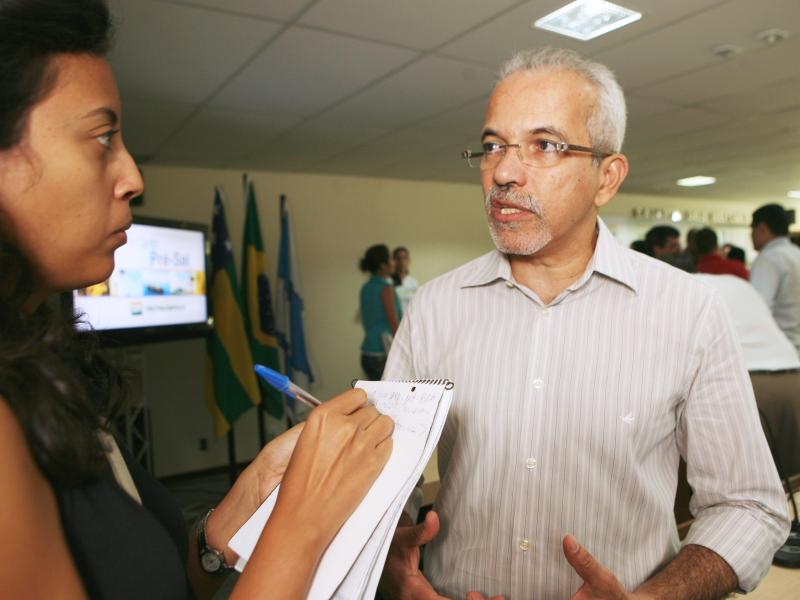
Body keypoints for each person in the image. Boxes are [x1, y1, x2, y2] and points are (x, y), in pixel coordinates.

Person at [0, 2, 393, 598]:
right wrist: (305, 520)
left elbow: (150, 578)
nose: (133, 178)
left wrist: (255, 489)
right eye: (102, 138)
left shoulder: (45, 371)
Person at [379, 47, 789, 599]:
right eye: (494, 145)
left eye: (544, 145)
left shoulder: (689, 311)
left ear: (607, 178)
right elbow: (384, 486)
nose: (503, 171)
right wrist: (394, 568)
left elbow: (749, 506)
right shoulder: (434, 307)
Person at [695, 273, 800, 478]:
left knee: (748, 483)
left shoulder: (680, 288)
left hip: (744, 387)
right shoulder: (737, 283)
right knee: (793, 482)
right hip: (792, 377)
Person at [750, 203, 800, 355]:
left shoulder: (769, 258)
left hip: (780, 349)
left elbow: (758, 307)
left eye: (752, 229)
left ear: (762, 228)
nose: (751, 235)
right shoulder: (795, 253)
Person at [359, 244, 402, 380]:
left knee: (375, 393)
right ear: (383, 265)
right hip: (382, 354)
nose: (394, 262)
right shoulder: (385, 288)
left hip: (367, 354)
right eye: (391, 259)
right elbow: (393, 322)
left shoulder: (366, 287)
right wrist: (404, 350)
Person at [392, 246, 419, 314]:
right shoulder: (389, 282)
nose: (402, 262)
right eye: (398, 258)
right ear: (393, 261)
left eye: (404, 258)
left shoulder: (413, 282)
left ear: (408, 261)